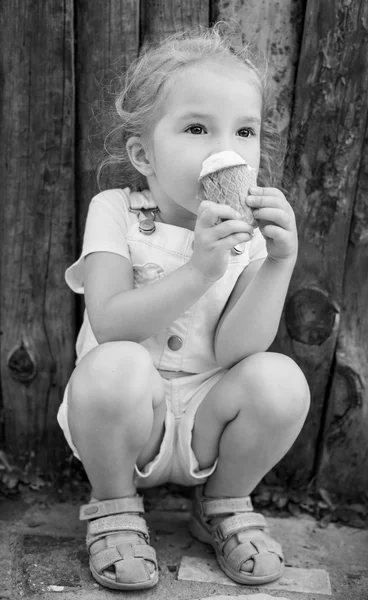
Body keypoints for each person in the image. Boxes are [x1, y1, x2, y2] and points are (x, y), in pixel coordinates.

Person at [57, 25, 310, 592]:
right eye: (197, 128)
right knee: (112, 364)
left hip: (206, 420)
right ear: (143, 154)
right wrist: (198, 271)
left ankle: (222, 504)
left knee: (281, 380)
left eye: (244, 131)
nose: (225, 149)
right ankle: (115, 506)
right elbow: (111, 322)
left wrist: (277, 264)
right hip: (126, 418)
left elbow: (235, 351)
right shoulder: (116, 210)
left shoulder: (249, 233)